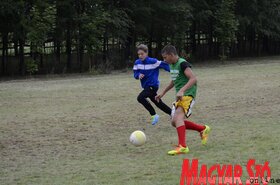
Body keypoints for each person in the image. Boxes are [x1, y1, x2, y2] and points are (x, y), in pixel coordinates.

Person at [155, 45, 211, 155]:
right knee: (174, 122)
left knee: (178, 118)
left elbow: (193, 79)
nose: (164, 60)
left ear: (171, 55)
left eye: (165, 57)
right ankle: (202, 129)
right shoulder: (172, 65)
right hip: (181, 95)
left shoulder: (182, 63)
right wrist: (163, 93)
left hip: (188, 94)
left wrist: (182, 90)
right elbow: (174, 81)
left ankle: (183, 146)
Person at [133, 44, 171, 125]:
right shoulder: (137, 63)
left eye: (142, 54)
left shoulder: (153, 61)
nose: (140, 56)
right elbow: (135, 73)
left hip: (153, 86)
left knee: (140, 98)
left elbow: (165, 65)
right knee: (158, 103)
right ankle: (172, 114)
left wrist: (174, 71)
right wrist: (138, 75)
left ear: (146, 53)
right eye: (139, 54)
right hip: (146, 87)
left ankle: (153, 115)